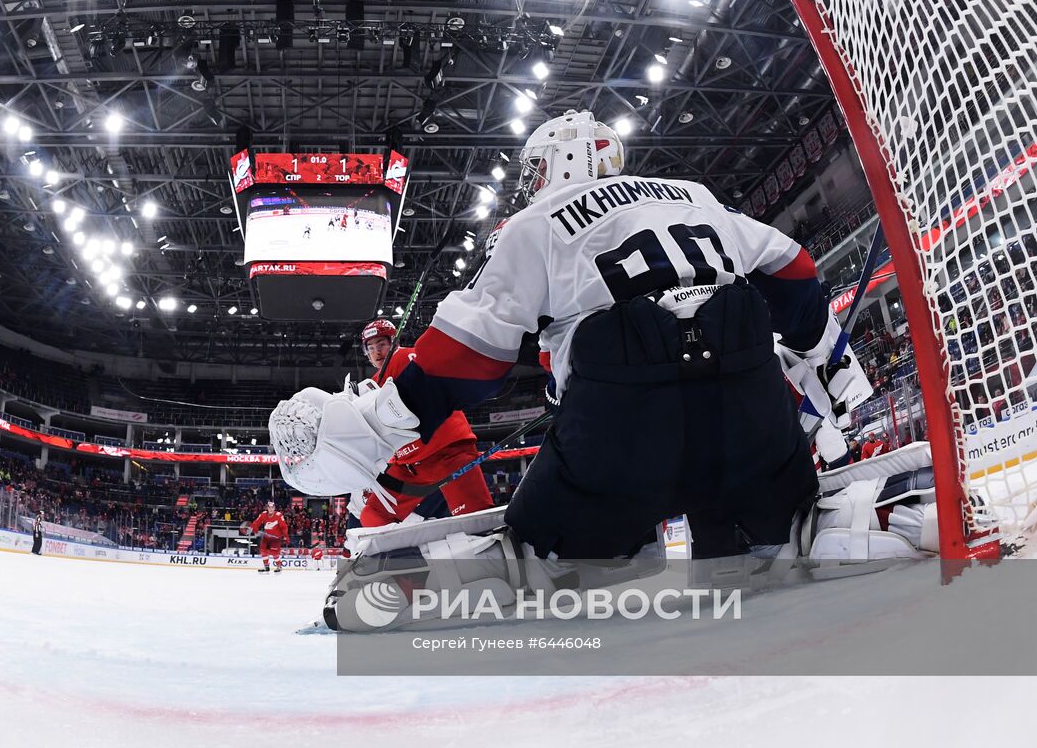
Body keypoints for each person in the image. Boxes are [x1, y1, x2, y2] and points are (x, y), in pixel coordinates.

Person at [270, 110, 880, 628]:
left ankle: (416, 589)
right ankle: (829, 525)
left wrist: (374, 425)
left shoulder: (538, 223)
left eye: (537, 168)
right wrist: (817, 357)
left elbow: (469, 359)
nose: (533, 182)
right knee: (782, 531)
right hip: (749, 412)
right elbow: (796, 274)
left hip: (624, 427)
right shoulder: (695, 196)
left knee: (540, 561)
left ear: (565, 163)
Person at [348, 318, 492, 527]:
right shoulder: (372, 385)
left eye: (381, 345)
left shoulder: (409, 357)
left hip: (447, 453)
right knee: (374, 518)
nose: (376, 352)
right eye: (371, 348)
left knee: (476, 521)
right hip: (410, 467)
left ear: (393, 343)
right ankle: (402, 558)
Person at [247, 500, 289, 573]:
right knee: (263, 551)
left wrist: (285, 535)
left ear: (274, 508)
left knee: (274, 553)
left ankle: (279, 566)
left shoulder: (279, 515)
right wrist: (254, 527)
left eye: (272, 507)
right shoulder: (263, 514)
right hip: (266, 537)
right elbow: (257, 522)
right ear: (267, 508)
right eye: (269, 507)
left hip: (276, 538)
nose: (271, 509)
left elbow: (284, 526)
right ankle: (266, 567)